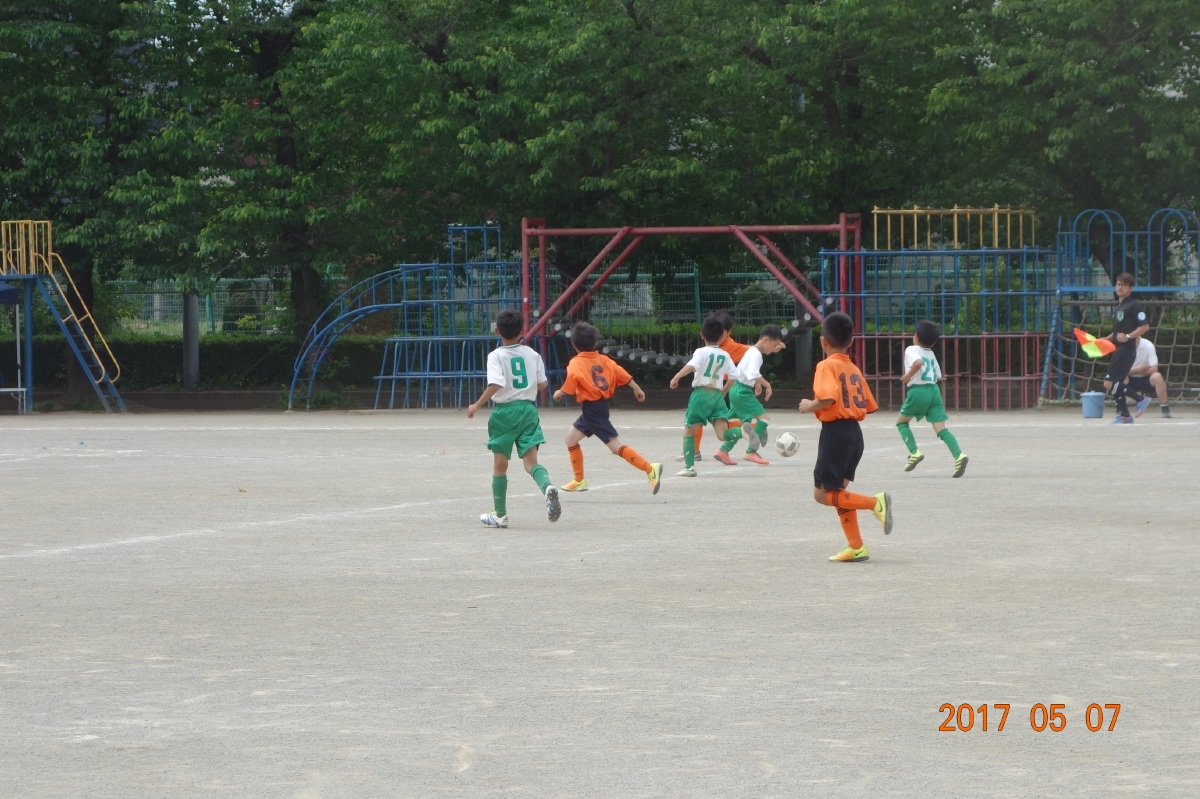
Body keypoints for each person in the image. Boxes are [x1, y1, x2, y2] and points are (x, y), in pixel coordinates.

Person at [797, 311, 892, 563]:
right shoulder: (853, 368)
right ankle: (856, 546)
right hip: (854, 434)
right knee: (838, 493)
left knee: (822, 494)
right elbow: (869, 405)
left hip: (835, 433)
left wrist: (810, 405)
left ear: (823, 341)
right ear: (851, 341)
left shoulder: (826, 365)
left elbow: (828, 397)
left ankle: (874, 503)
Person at [466, 309, 561, 528]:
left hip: (505, 413)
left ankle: (500, 515)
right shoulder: (533, 355)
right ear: (523, 330)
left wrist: (477, 405)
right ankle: (547, 487)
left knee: (500, 464)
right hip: (528, 410)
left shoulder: (496, 355)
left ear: (497, 331)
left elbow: (496, 383)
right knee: (531, 462)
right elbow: (543, 384)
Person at [552, 321, 662, 494]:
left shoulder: (576, 362)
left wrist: (560, 392)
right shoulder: (604, 360)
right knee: (571, 440)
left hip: (592, 410)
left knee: (615, 446)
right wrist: (637, 388)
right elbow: (621, 373)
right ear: (595, 342)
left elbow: (572, 380)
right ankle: (579, 480)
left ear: (573, 344)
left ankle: (649, 468)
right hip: (598, 408)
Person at [668, 315, 745, 476]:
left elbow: (691, 366)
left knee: (689, 431)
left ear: (702, 335)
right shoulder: (725, 354)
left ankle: (689, 467)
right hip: (717, 395)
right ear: (722, 336)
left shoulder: (701, 352)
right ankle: (744, 432)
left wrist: (676, 377)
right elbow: (734, 376)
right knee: (723, 434)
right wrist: (724, 390)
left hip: (701, 394)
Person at [895, 320, 969, 477]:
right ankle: (959, 455)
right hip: (934, 391)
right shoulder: (931, 353)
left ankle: (914, 452)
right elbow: (939, 375)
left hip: (918, 390)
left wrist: (907, 376)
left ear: (916, 336)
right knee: (942, 429)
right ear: (934, 342)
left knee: (902, 423)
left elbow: (918, 363)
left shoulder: (911, 349)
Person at [684, 310, 750, 463]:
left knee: (701, 422)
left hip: (720, 389)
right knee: (714, 425)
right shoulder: (717, 348)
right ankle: (697, 451)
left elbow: (752, 351)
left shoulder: (729, 347)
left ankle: (748, 428)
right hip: (718, 389)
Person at [717, 324, 786, 465]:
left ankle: (723, 451)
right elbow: (752, 373)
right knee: (764, 420)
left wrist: (757, 383)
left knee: (745, 426)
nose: (774, 348)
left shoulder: (752, 351)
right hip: (742, 392)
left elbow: (747, 371)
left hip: (737, 389)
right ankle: (751, 452)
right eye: (774, 345)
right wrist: (767, 384)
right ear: (766, 340)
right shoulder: (756, 354)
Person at [1103, 272, 1151, 424]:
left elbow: (1145, 326)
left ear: (1131, 288)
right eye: (1118, 284)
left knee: (1109, 382)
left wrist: (1129, 336)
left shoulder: (1133, 305)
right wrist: (1106, 339)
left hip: (1126, 349)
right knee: (1117, 382)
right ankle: (1124, 415)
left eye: (1124, 285)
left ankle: (1140, 399)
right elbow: (1118, 332)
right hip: (1119, 348)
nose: (1120, 287)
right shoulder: (1119, 306)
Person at [1105, 337, 1170, 418]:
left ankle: (1165, 408)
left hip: (1146, 378)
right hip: (1129, 379)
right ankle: (1122, 409)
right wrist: (1138, 369)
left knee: (1157, 377)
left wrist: (1134, 371)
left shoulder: (1148, 345)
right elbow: (1119, 371)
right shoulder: (1123, 347)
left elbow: (1154, 369)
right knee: (1117, 380)